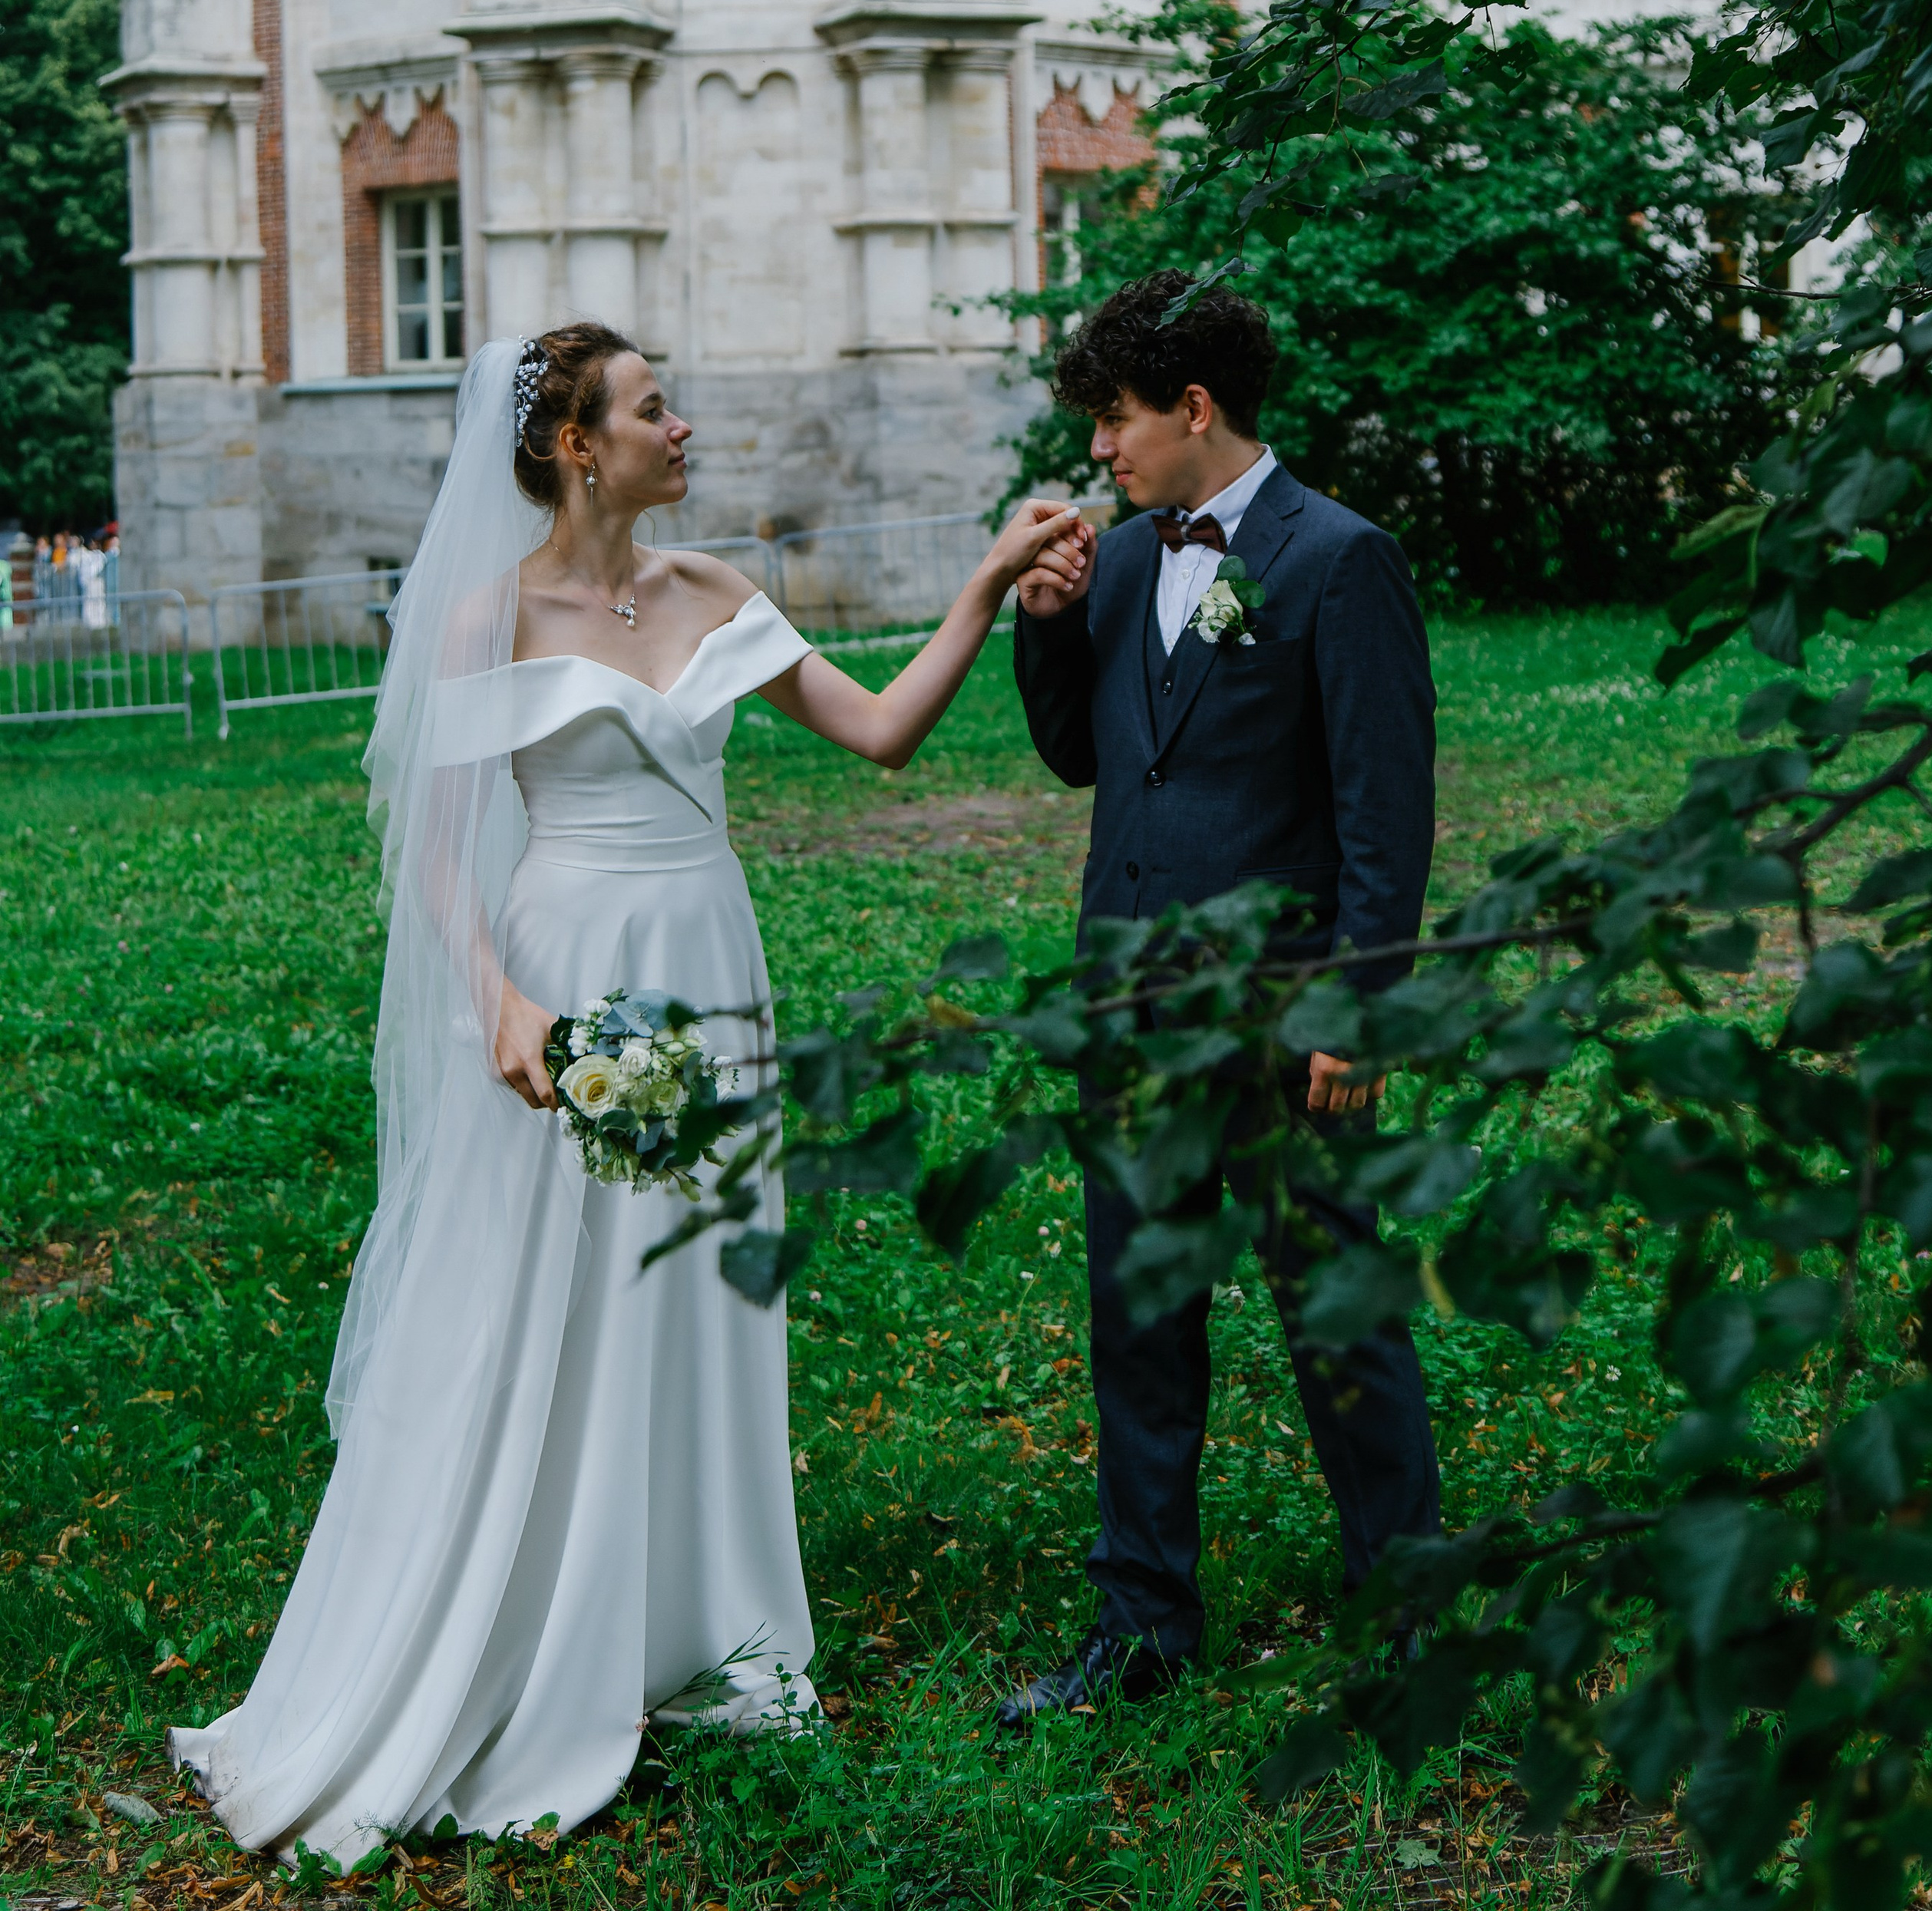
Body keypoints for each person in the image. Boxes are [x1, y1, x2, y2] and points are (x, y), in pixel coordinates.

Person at [171, 322, 1085, 1866]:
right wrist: (500, 1001)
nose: (687, 424)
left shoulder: (713, 592)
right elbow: (440, 844)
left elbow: (879, 733)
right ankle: (525, 1638)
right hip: (569, 972)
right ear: (580, 444)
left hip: (710, 967)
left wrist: (985, 590)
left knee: (696, 1299)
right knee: (543, 1302)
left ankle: (692, 1631)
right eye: (658, 406)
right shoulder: (489, 611)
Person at [1002, 270, 1442, 1725]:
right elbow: (1088, 757)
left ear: (1194, 408)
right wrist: (1049, 622)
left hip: (1278, 1023)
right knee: (1140, 1321)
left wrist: (1354, 1004)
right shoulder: (1122, 559)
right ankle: (1142, 1628)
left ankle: (1408, 1620)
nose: (1102, 452)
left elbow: (1387, 812)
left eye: (1117, 421)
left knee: (1337, 1315)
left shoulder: (1341, 557)